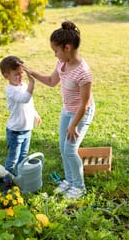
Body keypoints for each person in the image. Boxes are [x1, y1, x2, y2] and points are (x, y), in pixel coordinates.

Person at [24, 21, 95, 199]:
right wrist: (32, 73)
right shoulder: (62, 64)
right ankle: (70, 181)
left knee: (71, 149)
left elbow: (84, 104)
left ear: (67, 48)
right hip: (67, 110)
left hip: (81, 113)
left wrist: (73, 125)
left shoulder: (84, 73)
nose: (55, 54)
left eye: (56, 51)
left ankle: (79, 187)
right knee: (63, 149)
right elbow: (51, 81)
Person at [0, 55, 41, 192]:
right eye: (16, 74)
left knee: (23, 157)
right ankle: (7, 181)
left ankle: (19, 177)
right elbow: (24, 98)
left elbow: (29, 102)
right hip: (16, 131)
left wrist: (35, 114)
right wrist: (32, 84)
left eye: (21, 74)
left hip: (27, 129)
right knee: (13, 158)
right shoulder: (10, 90)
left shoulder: (23, 85)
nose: (20, 77)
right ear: (6, 76)